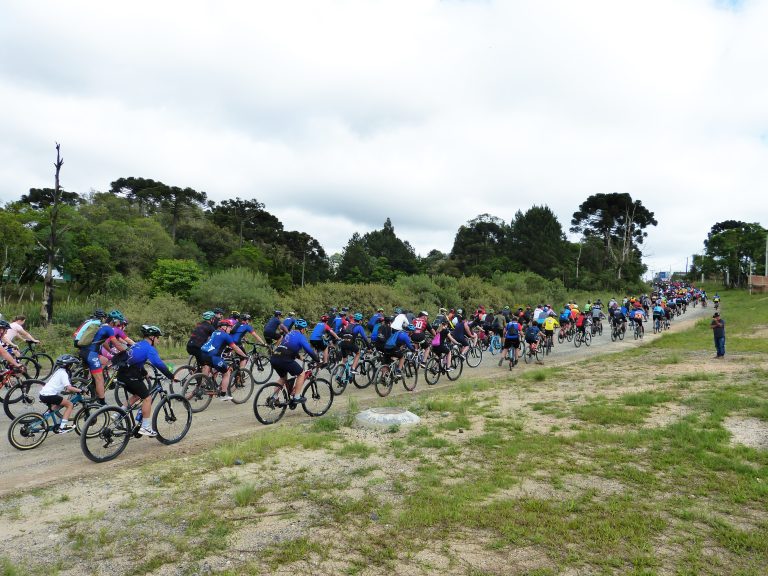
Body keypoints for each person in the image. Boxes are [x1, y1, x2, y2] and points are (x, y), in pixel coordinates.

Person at [116, 325, 178, 436]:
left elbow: (136, 360)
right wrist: (171, 376)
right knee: (147, 398)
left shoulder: (137, 344)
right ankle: (145, 427)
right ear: (152, 337)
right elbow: (158, 364)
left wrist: (144, 373)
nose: (158, 340)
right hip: (131, 375)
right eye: (158, 337)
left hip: (121, 374)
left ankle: (118, 415)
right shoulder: (149, 348)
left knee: (137, 395)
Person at [78, 310, 128, 405]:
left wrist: (111, 351)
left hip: (85, 351)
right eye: (118, 321)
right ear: (114, 320)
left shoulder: (101, 326)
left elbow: (104, 342)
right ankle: (102, 402)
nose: (119, 324)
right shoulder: (109, 329)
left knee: (105, 361)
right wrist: (126, 352)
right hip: (91, 354)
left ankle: (93, 385)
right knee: (99, 379)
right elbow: (116, 343)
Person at [269, 319, 321, 405]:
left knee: (283, 378)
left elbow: (288, 347)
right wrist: (318, 360)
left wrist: (299, 357)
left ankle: (274, 397)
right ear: (303, 329)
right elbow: (309, 351)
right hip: (284, 358)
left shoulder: (289, 333)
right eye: (305, 329)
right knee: (301, 373)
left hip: (275, 357)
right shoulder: (301, 337)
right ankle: (297, 397)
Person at [199, 319, 249, 400]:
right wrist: (244, 356)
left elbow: (217, 344)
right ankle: (223, 394)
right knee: (227, 373)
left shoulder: (214, 332)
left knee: (209, 366)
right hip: (214, 357)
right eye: (229, 327)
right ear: (224, 327)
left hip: (203, 354)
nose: (231, 329)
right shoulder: (226, 336)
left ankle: (203, 384)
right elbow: (235, 348)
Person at [38, 354, 82, 433]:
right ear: (68, 366)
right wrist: (80, 390)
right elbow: (69, 388)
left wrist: (72, 389)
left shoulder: (58, 371)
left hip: (43, 394)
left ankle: (42, 420)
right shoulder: (64, 374)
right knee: (69, 405)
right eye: (71, 365)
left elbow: (66, 389)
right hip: (50, 395)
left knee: (57, 404)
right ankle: (63, 427)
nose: (72, 367)